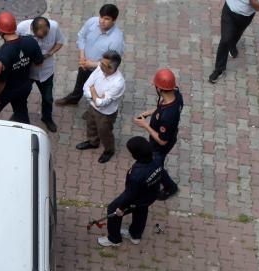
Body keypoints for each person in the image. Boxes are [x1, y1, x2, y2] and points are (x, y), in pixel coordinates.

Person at [96, 136, 164, 247]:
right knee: (141, 210)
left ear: (136, 154)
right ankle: (135, 235)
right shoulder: (157, 158)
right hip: (151, 195)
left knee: (113, 209)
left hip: (137, 198)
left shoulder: (136, 174)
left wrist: (121, 208)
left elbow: (130, 195)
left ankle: (114, 239)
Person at [57, 5, 124, 107]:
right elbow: (81, 37)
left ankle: (92, 109)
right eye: (101, 17)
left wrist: (92, 64)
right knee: (80, 82)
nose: (102, 21)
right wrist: (82, 55)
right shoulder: (92, 22)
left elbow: (112, 63)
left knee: (96, 90)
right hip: (84, 63)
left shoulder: (116, 40)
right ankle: (75, 98)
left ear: (114, 20)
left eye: (106, 19)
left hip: (100, 71)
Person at [132, 68, 183, 199]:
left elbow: (162, 140)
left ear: (159, 89)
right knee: (156, 163)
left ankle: (170, 187)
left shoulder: (168, 116)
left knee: (155, 165)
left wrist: (145, 125)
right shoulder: (176, 95)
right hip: (169, 136)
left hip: (160, 145)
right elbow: (162, 106)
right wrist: (151, 113)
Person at [0, 12, 45, 125]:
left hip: (6, 91)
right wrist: (23, 63)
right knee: (21, 112)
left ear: (0, 31)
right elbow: (39, 62)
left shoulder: (2, 54)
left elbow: (1, 81)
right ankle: (25, 133)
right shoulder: (31, 42)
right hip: (24, 87)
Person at [17, 16, 66, 133]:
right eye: (40, 36)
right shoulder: (21, 28)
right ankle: (21, 118)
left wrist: (49, 54)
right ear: (32, 29)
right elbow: (14, 45)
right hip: (27, 72)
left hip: (46, 71)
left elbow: (60, 42)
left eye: (46, 34)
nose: (43, 37)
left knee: (48, 98)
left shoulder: (54, 27)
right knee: (21, 96)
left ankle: (47, 118)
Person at [76, 50, 125, 164]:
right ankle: (93, 142)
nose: (99, 65)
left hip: (106, 114)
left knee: (105, 132)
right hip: (92, 107)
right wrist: (94, 96)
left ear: (111, 68)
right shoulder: (100, 68)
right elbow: (86, 86)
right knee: (91, 124)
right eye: (101, 62)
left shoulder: (118, 83)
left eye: (103, 64)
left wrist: (92, 91)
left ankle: (109, 150)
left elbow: (101, 103)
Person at [209, 0, 259, 84]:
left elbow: (258, 7)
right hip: (229, 11)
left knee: (236, 34)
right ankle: (219, 69)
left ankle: (232, 45)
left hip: (245, 16)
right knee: (225, 39)